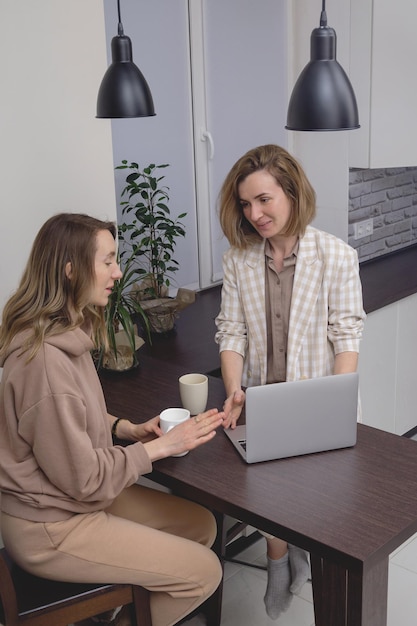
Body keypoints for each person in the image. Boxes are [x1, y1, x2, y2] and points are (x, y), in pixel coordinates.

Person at [0, 213, 224, 626]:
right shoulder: (45, 364)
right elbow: (85, 480)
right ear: (70, 270)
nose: (118, 272)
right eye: (107, 261)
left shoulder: (63, 330)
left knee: (200, 525)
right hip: (52, 526)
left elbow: (68, 417)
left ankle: (127, 605)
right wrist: (159, 447)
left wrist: (124, 428)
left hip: (73, 501)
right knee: (204, 573)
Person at [215, 144, 366, 620]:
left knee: (322, 512)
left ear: (292, 192)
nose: (254, 213)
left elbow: (346, 335)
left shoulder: (336, 256)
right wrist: (234, 387)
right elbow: (231, 330)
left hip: (317, 401)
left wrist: (332, 404)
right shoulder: (239, 259)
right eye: (245, 204)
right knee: (266, 493)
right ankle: (278, 561)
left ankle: (312, 571)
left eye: (264, 199)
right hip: (263, 400)